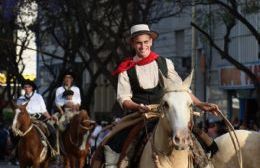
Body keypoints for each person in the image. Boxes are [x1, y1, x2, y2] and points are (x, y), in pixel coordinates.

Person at [105, 24, 219, 167]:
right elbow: (124, 98)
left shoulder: (165, 63)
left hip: (166, 113)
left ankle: (205, 163)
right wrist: (137, 106)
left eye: (146, 42)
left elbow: (182, 89)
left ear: (151, 42)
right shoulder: (126, 70)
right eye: (139, 43)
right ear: (133, 44)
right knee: (114, 144)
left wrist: (200, 104)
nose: (143, 46)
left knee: (201, 143)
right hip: (140, 116)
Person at [16, 80, 57, 151]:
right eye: (25, 87)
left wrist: (49, 117)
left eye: (28, 87)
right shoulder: (20, 99)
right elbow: (18, 112)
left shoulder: (38, 97)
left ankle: (52, 151)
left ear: (32, 88)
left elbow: (44, 110)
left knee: (52, 131)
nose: (27, 88)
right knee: (13, 131)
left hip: (39, 119)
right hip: (25, 120)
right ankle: (14, 151)